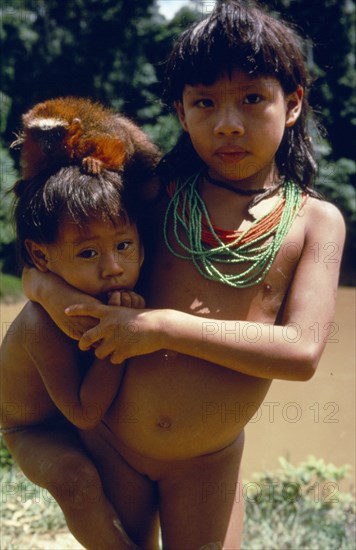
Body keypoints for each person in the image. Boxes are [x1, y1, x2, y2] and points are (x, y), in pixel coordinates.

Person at [21, 1, 346, 548]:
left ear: (290, 105)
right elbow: (46, 259)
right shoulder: (156, 192)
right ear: (180, 111)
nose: (227, 123)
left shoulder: (316, 223)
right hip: (113, 443)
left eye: (251, 99)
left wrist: (161, 327)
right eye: (204, 102)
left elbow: (302, 352)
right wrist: (44, 291)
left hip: (208, 462)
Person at [0, 165, 145, 549]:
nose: (113, 267)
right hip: (36, 430)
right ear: (40, 256)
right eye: (88, 252)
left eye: (124, 245)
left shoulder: (115, 288)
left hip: (91, 420)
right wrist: (121, 335)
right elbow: (82, 412)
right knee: (74, 478)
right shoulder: (40, 324)